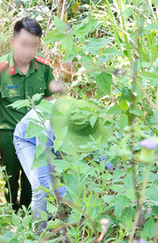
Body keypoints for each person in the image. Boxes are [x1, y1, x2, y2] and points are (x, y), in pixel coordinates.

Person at [0, 17, 54, 211]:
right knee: (10, 179)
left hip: (35, 133)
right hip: (8, 135)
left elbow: (49, 100)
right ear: (13, 42)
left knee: (34, 178)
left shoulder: (44, 68)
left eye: (34, 45)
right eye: (24, 44)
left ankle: (29, 212)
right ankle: (13, 213)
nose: (28, 50)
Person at [13, 96, 109, 231]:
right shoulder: (46, 128)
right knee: (41, 189)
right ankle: (39, 234)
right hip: (30, 141)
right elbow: (43, 177)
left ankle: (65, 224)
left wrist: (110, 167)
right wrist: (72, 198)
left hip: (56, 140)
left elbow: (96, 146)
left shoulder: (84, 118)